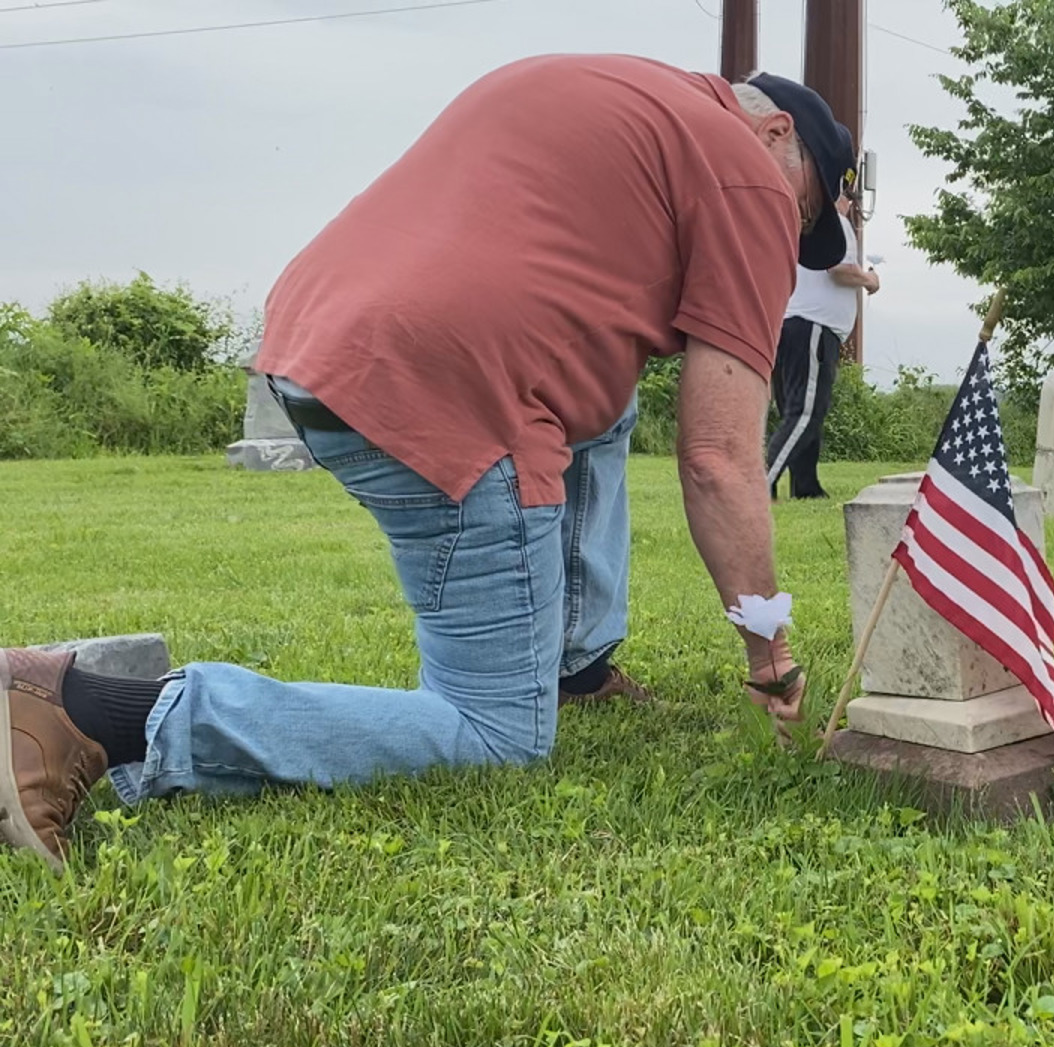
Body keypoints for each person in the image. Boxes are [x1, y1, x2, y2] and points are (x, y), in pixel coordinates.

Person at [1, 55, 857, 870]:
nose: (789, 239)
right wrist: (767, 657)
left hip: (317, 341)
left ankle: (576, 667)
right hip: (453, 386)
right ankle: (85, 713)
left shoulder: (599, 86)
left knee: (610, 404)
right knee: (496, 734)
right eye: (804, 211)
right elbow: (717, 458)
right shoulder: (747, 177)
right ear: (775, 132)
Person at [766, 192, 878, 500]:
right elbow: (839, 269)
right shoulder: (835, 224)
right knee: (804, 412)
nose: (851, 206)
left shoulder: (799, 226)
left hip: (790, 324)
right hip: (814, 327)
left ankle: (806, 486)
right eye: (849, 200)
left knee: (802, 409)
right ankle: (762, 480)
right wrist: (869, 279)